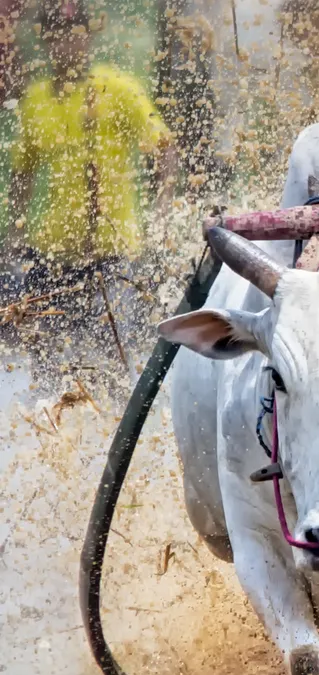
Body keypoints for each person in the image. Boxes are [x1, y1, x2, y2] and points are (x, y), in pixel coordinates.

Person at [3, 0, 176, 392]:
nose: (67, 47)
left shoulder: (117, 89)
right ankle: (55, 444)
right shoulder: (36, 101)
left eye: (75, 38)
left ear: (88, 40)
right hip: (51, 257)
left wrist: (161, 214)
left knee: (113, 361)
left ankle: (117, 440)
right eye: (58, 39)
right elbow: (22, 172)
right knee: (46, 364)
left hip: (113, 257)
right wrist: (16, 230)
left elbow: (164, 146)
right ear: (46, 44)